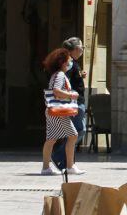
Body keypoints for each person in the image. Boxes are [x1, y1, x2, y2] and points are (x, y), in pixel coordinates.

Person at [41, 47, 83, 176]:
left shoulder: (55, 74)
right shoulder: (60, 75)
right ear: (62, 62)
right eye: (69, 60)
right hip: (59, 112)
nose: (70, 63)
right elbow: (56, 91)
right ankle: (70, 166)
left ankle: (46, 168)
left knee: (51, 139)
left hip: (53, 111)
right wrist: (71, 95)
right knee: (73, 135)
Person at [51, 37, 87, 170]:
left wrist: (80, 75)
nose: (82, 50)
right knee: (78, 131)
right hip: (75, 102)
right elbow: (64, 80)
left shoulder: (72, 63)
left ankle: (67, 162)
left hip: (76, 101)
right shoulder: (69, 63)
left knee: (76, 132)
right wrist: (70, 95)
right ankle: (60, 157)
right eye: (82, 48)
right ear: (75, 49)